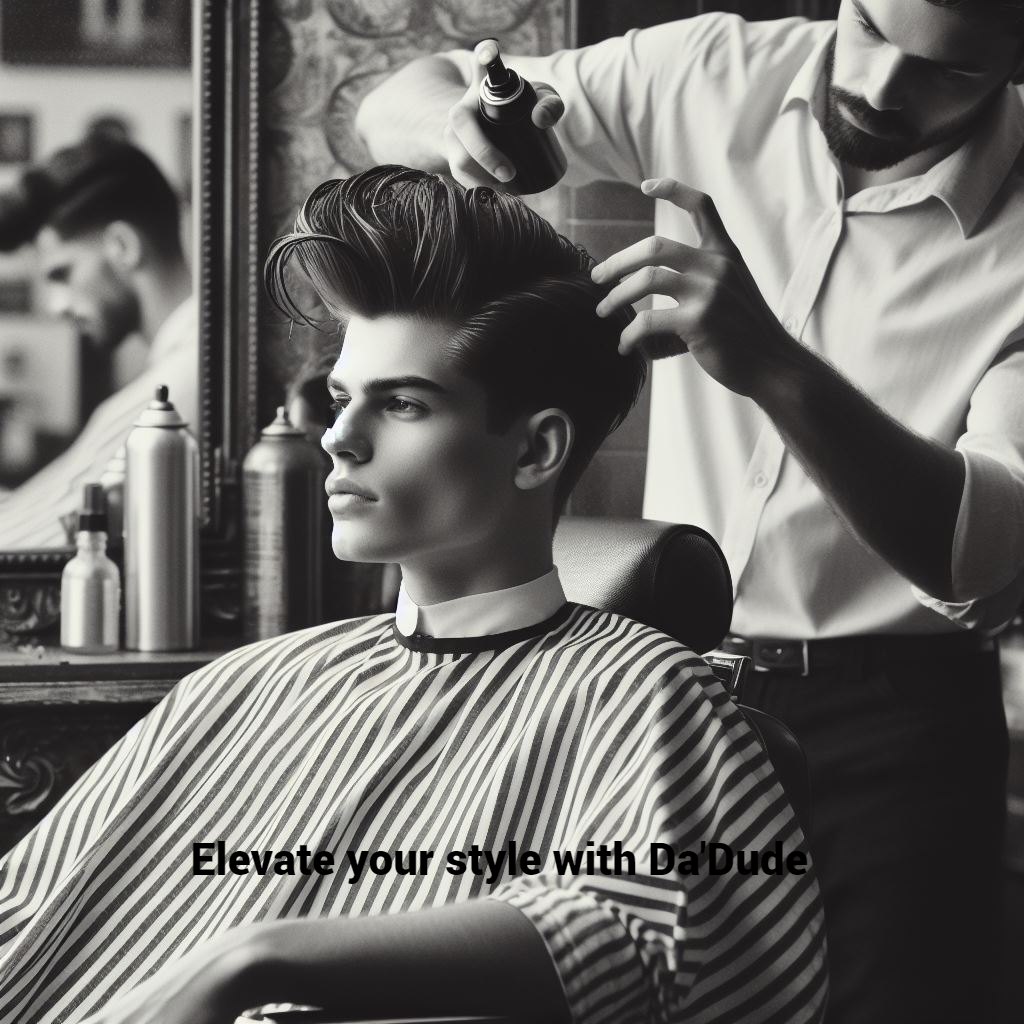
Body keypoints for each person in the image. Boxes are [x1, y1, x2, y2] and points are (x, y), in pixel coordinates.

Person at [0, 167, 826, 1024]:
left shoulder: (648, 694)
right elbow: (31, 907)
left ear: (536, 450)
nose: (339, 439)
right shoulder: (247, 683)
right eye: (341, 399)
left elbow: (649, 929)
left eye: (401, 404)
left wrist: (255, 957)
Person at [354, 2, 1024, 1022]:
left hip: (899, 734)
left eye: (951, 73)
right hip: (661, 690)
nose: (884, 85)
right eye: (874, 30)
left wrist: (772, 366)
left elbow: (977, 551)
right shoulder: (715, 70)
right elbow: (396, 101)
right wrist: (468, 133)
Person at [0, 136, 195, 548]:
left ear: (122, 246)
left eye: (61, 273)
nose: (55, 306)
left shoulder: (179, 389)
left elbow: (32, 543)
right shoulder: (177, 374)